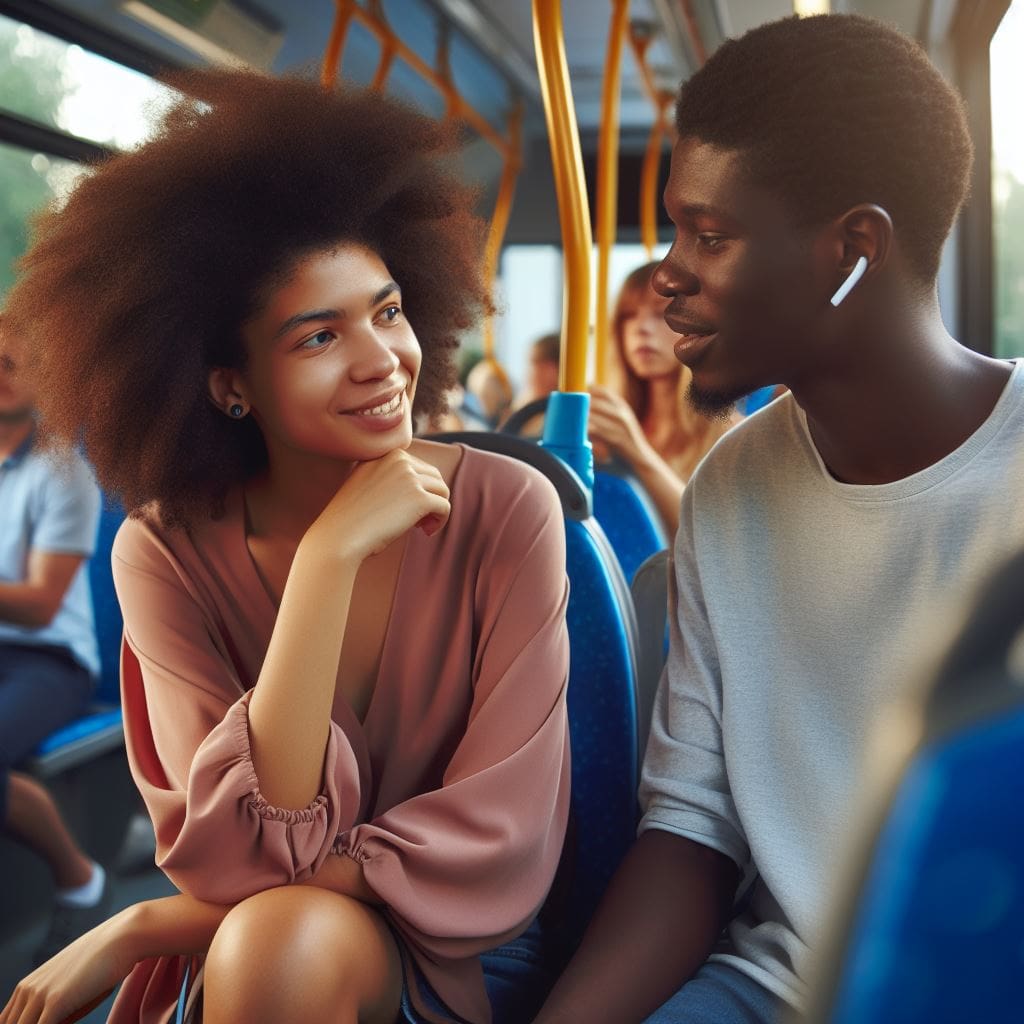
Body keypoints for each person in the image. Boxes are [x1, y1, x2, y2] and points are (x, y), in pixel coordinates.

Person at [0, 69, 570, 1024]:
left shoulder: (508, 509)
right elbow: (241, 858)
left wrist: (145, 926)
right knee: (277, 938)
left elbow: (500, 841)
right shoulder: (164, 553)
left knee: (279, 935)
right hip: (253, 946)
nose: (381, 358)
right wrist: (327, 560)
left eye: (388, 310)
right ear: (231, 384)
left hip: (456, 947)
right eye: (318, 336)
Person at [537, 13, 1024, 1024]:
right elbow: (691, 828)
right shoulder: (731, 489)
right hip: (772, 989)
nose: (668, 272)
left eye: (708, 235)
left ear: (853, 249)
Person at [0, 322, 109, 967]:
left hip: (51, 660)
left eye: (15, 362)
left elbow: (42, 603)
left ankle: (80, 880)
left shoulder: (65, 472)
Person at [589, 262, 737, 534]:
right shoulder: (605, 427)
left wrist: (636, 451)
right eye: (628, 316)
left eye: (660, 315)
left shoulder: (732, 435)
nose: (641, 328)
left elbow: (712, 542)